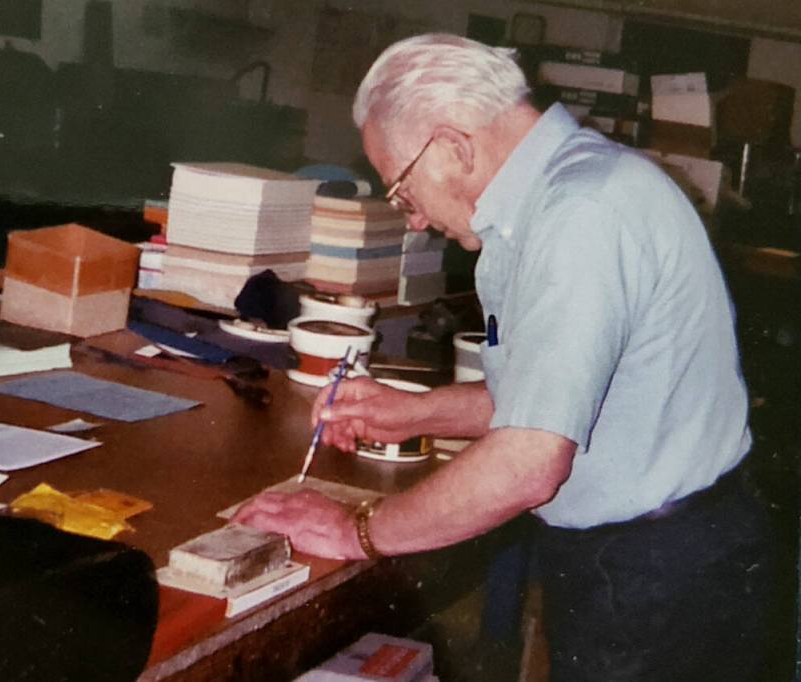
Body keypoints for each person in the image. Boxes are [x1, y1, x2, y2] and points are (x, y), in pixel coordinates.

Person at [233, 34, 780, 681]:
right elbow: (555, 397)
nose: (411, 220)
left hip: (657, 571)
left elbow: (529, 461)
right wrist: (414, 414)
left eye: (402, 189)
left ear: (453, 147)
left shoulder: (580, 214)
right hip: (661, 554)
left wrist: (357, 531)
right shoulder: (561, 196)